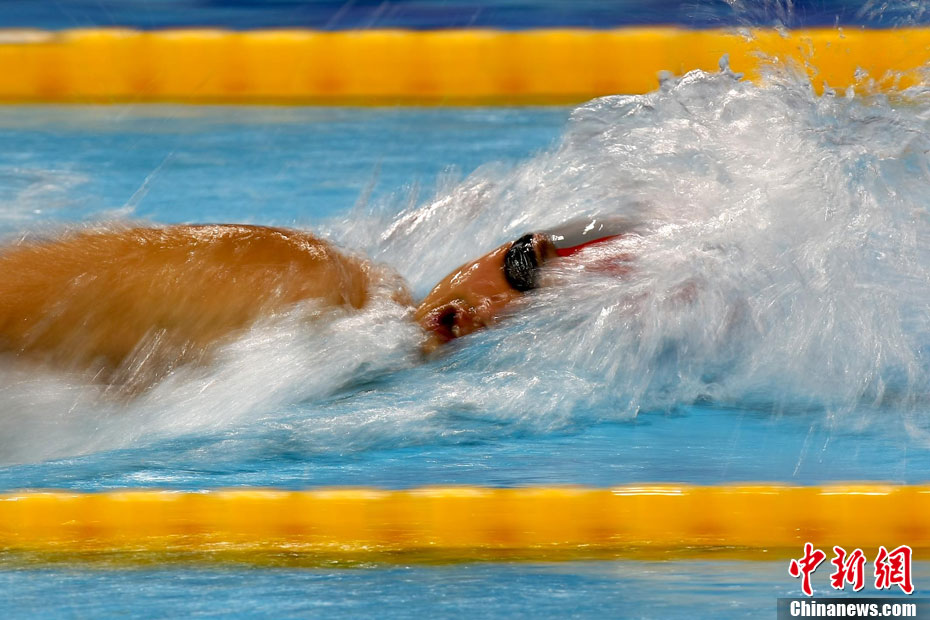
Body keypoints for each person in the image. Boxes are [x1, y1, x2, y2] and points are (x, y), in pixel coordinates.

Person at [0, 218, 630, 387]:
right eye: (521, 271)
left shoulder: (355, 372)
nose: (496, 314)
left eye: (550, 321)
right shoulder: (308, 279)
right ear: (491, 251)